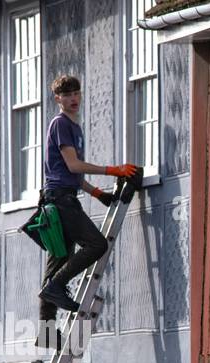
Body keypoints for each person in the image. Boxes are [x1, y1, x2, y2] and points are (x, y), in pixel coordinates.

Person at [37, 74, 139, 321]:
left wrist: (97, 194)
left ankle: (47, 334)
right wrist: (112, 170)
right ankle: (56, 288)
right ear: (57, 98)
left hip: (60, 197)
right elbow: (73, 166)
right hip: (60, 200)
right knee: (96, 245)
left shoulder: (74, 127)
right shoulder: (61, 124)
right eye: (67, 95)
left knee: (57, 264)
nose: (73, 98)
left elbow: (73, 175)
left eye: (76, 93)